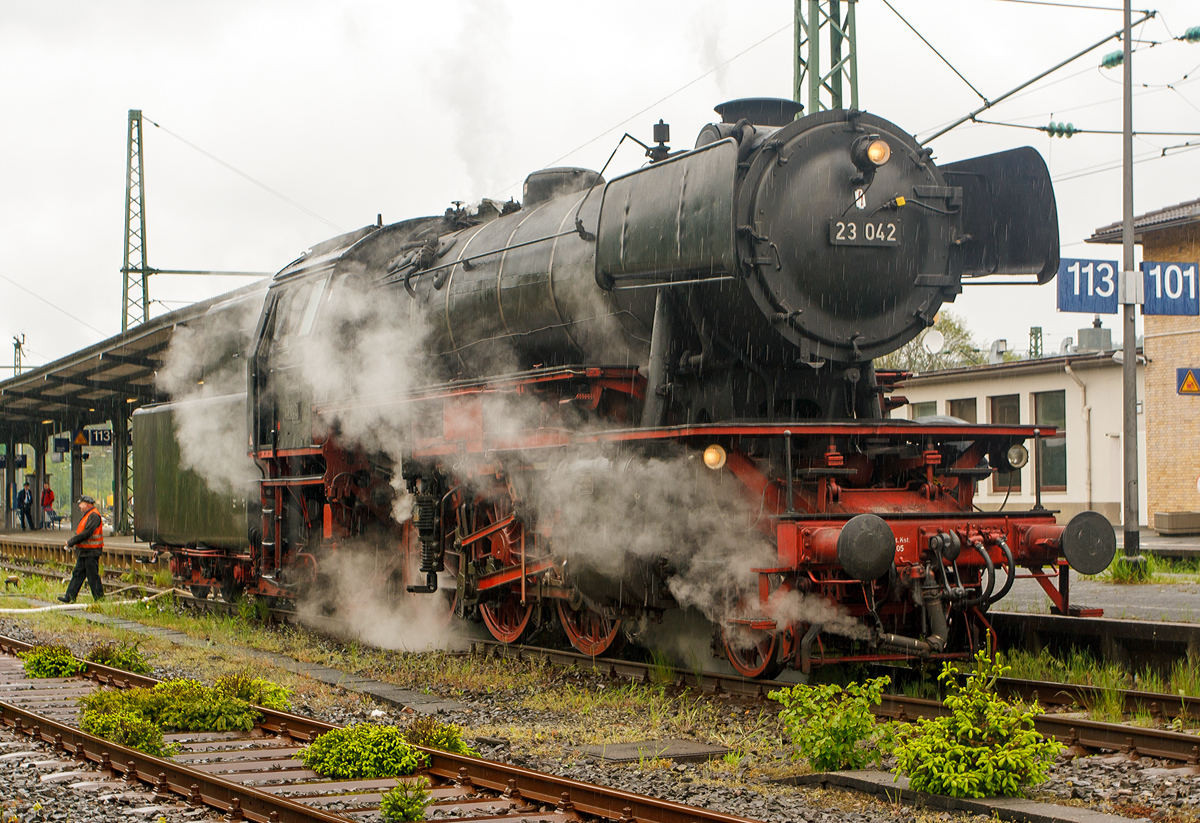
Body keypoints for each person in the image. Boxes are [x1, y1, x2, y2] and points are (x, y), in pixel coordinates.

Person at [57, 496, 104, 603]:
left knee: (92, 576)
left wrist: (71, 542)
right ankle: (69, 597)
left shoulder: (94, 516)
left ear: (86, 504)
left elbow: (86, 533)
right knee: (78, 574)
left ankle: (100, 599)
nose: (79, 506)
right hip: (84, 551)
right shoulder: (88, 515)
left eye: (81, 504)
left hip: (91, 551)